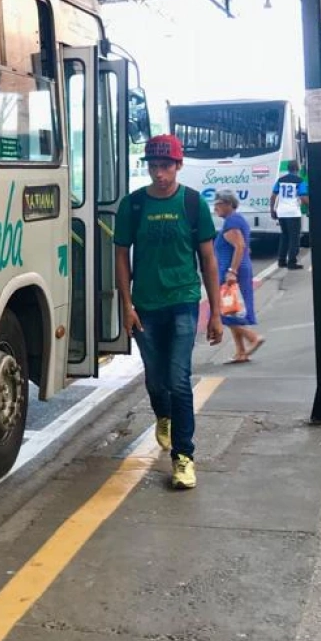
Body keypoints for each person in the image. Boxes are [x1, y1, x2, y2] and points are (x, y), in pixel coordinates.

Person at [114, 134, 223, 491]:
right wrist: (126, 305)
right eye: (154, 166)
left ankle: (183, 458)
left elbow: (208, 260)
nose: (159, 174)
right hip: (145, 305)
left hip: (183, 300)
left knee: (179, 381)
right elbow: (121, 256)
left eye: (166, 166)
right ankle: (162, 415)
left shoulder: (192, 204)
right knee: (156, 380)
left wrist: (216, 312)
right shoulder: (132, 206)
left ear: (178, 166)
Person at [213, 191, 264, 363]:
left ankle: (252, 338)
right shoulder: (236, 219)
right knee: (232, 310)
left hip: (233, 272)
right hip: (237, 269)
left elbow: (240, 246)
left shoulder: (232, 222)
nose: (215, 207)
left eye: (218, 203)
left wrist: (231, 271)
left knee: (224, 311)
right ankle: (241, 352)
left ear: (229, 204)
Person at [270, 161, 309, 269]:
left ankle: (281, 261)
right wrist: (311, 207)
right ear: (297, 169)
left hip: (281, 212)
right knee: (294, 238)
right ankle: (292, 262)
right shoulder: (299, 181)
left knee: (284, 236)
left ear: (288, 169)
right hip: (293, 213)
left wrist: (272, 210)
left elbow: (273, 196)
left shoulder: (280, 180)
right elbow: (303, 197)